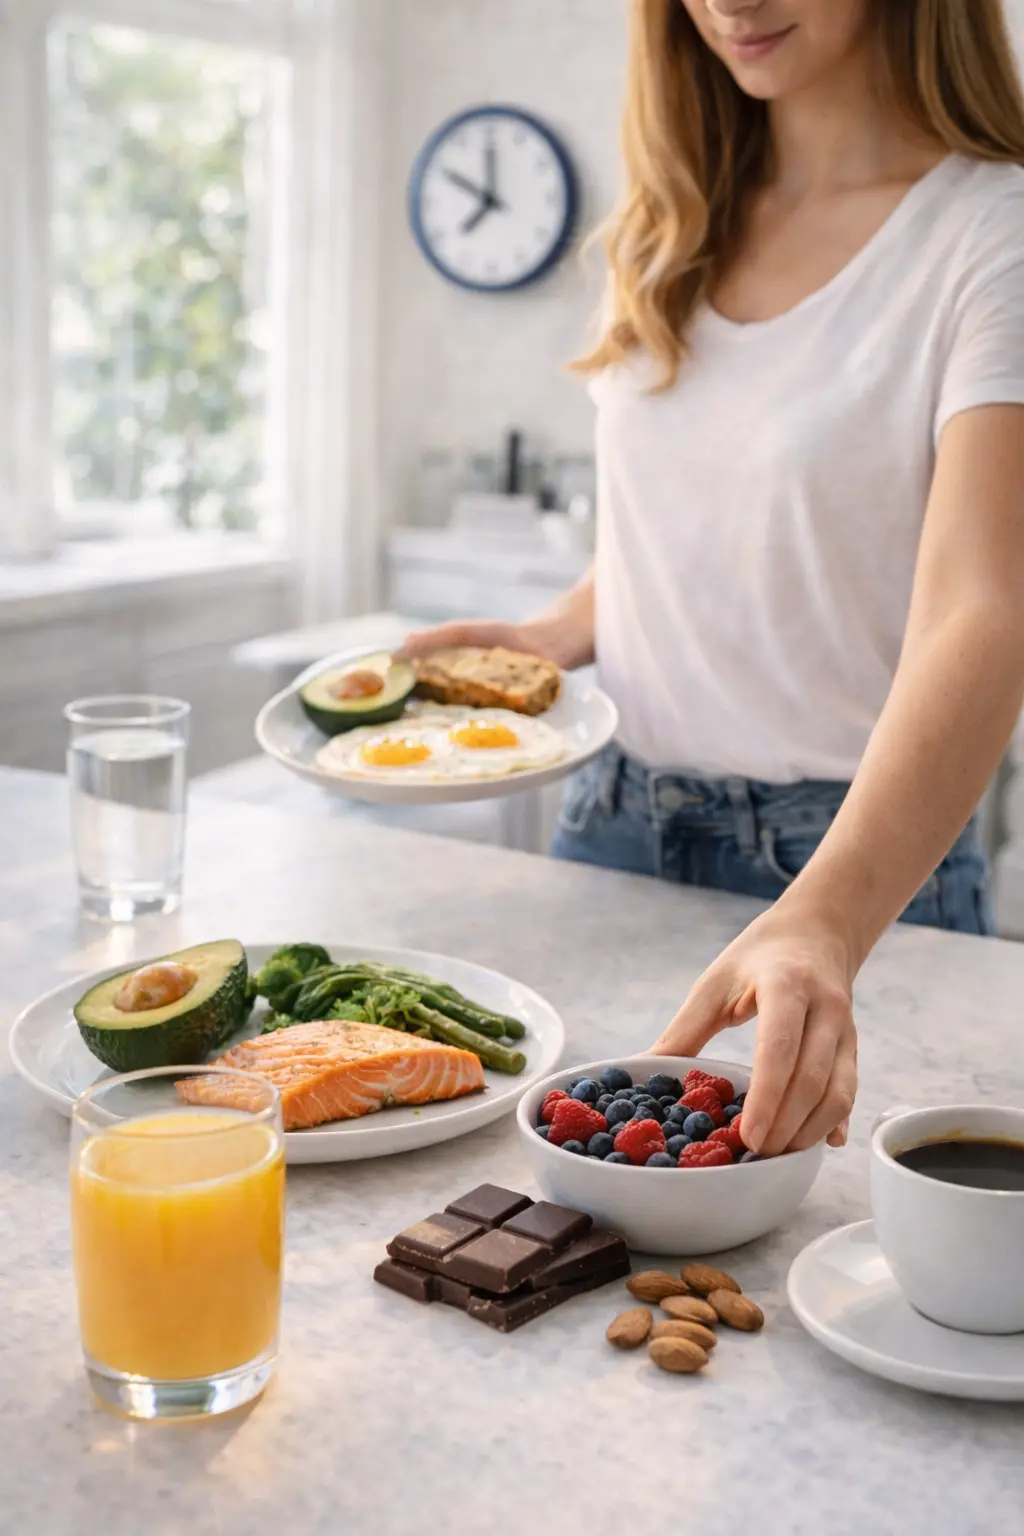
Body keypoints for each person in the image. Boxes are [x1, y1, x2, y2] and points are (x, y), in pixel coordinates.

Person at [401, 0, 1024, 1159]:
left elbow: (980, 607)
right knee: (554, 1254)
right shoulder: (664, 224)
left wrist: (826, 920)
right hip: (611, 828)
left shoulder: (992, 231)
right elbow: (691, 520)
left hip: (852, 871)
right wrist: (554, 635)